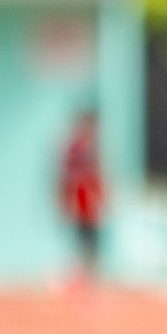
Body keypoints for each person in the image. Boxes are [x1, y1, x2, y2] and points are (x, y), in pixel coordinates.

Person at [58, 110, 104, 289]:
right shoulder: (79, 149)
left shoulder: (87, 148)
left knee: (89, 239)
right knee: (83, 238)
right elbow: (70, 175)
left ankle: (86, 274)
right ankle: (80, 274)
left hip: (87, 202)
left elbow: (96, 176)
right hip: (81, 201)